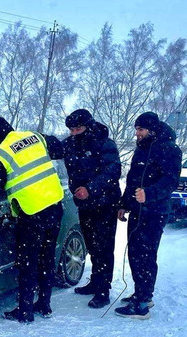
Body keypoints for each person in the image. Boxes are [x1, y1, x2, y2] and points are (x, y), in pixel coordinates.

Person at [0, 115, 65, 323]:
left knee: (28, 262)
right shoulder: (34, 136)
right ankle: (44, 305)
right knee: (46, 259)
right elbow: (59, 149)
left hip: (32, 212)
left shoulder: (0, 154)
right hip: (54, 206)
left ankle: (25, 311)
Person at [115, 111, 182, 319]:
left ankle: (142, 304)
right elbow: (133, 179)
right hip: (137, 210)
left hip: (155, 211)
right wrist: (124, 204)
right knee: (135, 253)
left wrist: (150, 194)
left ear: (152, 130)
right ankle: (142, 293)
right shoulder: (141, 149)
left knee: (146, 254)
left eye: (141, 129)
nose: (137, 134)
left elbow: (170, 181)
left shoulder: (170, 149)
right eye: (136, 129)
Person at [62, 109, 121, 309]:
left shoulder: (105, 144)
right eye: (71, 129)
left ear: (89, 126)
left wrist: (90, 189)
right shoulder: (70, 143)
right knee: (91, 244)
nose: (74, 133)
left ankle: (103, 289)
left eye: (78, 129)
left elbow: (112, 172)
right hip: (84, 204)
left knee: (104, 247)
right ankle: (95, 281)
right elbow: (53, 149)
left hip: (105, 203)